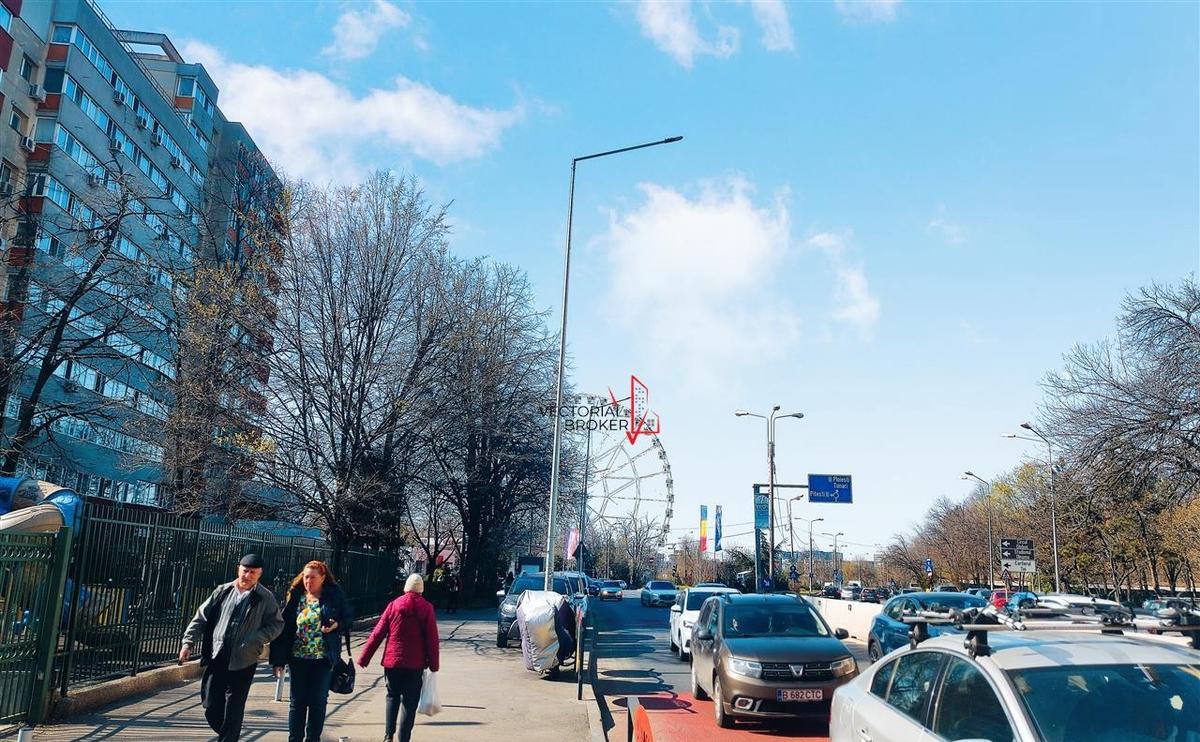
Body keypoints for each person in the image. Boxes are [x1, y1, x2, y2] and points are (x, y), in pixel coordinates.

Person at [181, 554, 284, 742]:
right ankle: (230, 733)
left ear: (259, 574)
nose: (248, 576)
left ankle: (229, 736)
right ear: (239, 569)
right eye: (245, 571)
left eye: (253, 573)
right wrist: (188, 642)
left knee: (233, 708)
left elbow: (277, 624)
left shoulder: (264, 597)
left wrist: (257, 638)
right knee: (211, 706)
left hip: (244, 660)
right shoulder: (222, 591)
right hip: (217, 655)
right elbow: (201, 617)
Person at [270, 560, 354, 742]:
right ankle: (294, 739)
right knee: (297, 703)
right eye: (306, 577)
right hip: (297, 658)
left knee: (318, 702)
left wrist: (336, 625)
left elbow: (348, 618)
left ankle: (313, 739)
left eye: (313, 578)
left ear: (323, 578)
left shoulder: (333, 596)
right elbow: (283, 630)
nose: (308, 581)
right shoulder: (295, 596)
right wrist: (278, 660)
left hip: (323, 659)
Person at [357, 574, 440, 742]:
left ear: (405, 588)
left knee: (392, 696)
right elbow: (432, 639)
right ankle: (404, 738)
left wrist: (364, 658)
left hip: (392, 663)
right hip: (415, 664)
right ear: (421, 591)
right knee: (410, 702)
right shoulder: (427, 608)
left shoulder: (394, 605)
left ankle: (388, 735)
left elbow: (378, 633)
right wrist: (434, 665)